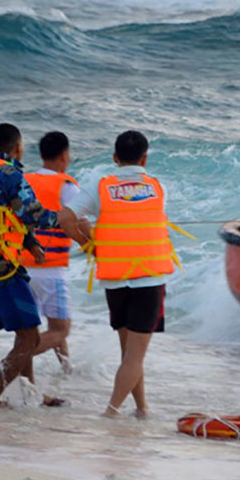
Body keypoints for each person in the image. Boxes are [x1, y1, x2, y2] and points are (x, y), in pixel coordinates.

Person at [60, 130, 182, 419]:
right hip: (149, 278)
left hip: (115, 279)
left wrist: (87, 243)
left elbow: (65, 217)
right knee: (135, 356)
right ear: (145, 158)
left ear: (115, 158)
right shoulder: (156, 186)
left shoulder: (100, 186)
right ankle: (111, 413)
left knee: (129, 353)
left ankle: (141, 408)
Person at [0, 123, 71, 408]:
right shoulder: (9, 172)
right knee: (29, 337)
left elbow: (4, 215)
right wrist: (64, 219)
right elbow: (30, 211)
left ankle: (30, 394)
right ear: (19, 147)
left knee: (27, 333)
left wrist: (29, 242)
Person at [19, 131, 80, 373]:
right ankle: (11, 362)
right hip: (50, 268)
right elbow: (80, 222)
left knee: (34, 328)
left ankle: (66, 369)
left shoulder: (24, 181)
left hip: (21, 267)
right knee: (60, 329)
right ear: (64, 156)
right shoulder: (65, 185)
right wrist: (92, 245)